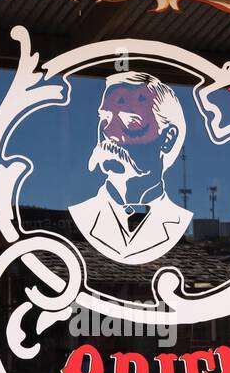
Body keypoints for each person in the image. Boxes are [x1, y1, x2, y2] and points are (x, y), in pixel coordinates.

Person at [67, 71, 193, 266]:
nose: (108, 132)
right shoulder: (82, 215)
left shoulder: (180, 221)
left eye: (130, 120)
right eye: (105, 118)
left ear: (168, 138)